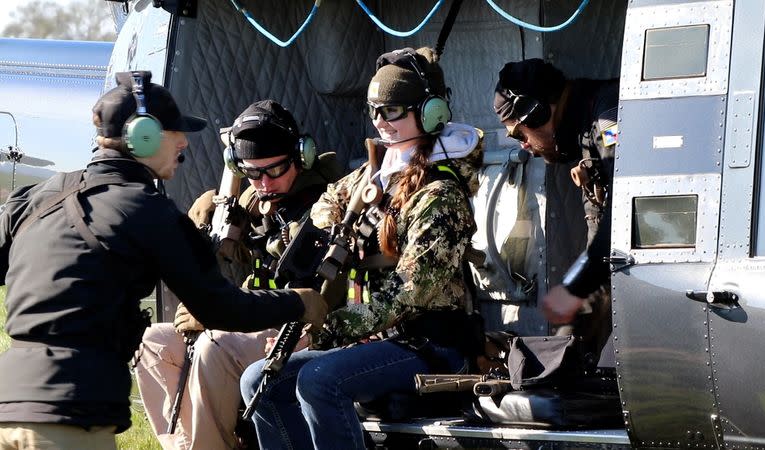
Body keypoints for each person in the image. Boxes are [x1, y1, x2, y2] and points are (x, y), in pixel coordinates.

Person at [0, 72, 327, 450]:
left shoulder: (40, 197)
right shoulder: (150, 212)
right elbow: (223, 309)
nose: (185, 143)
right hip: (68, 416)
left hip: (9, 404)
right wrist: (299, 301)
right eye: (176, 133)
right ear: (146, 137)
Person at [240, 46, 484, 450]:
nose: (380, 122)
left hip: (430, 343)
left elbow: (409, 292)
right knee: (259, 380)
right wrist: (333, 233)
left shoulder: (441, 194)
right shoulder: (379, 174)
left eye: (391, 111)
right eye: (373, 111)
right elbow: (325, 204)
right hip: (375, 338)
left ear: (429, 113)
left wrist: (324, 329)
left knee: (319, 381)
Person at [135, 99, 344, 450]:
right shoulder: (254, 202)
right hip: (257, 316)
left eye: (274, 171)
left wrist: (219, 313)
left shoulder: (323, 205)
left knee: (214, 345)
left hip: (302, 324)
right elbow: (235, 251)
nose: (263, 182)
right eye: (252, 172)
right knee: (153, 344)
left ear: (301, 157)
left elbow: (315, 295)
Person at [493, 59, 618, 359]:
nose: (522, 145)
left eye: (519, 134)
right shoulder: (588, 131)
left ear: (537, 113)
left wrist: (575, 288)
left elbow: (622, 220)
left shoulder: (608, 122)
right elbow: (601, 249)